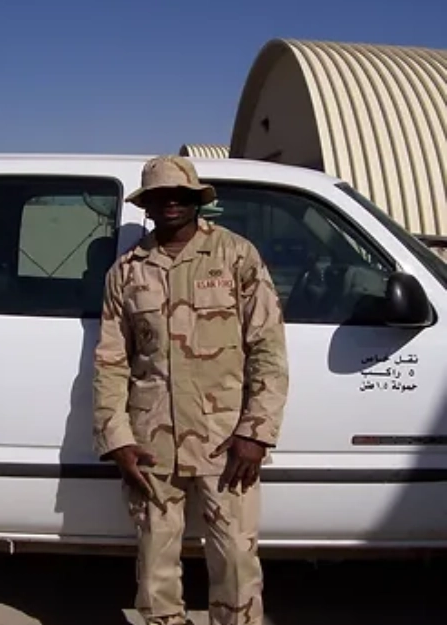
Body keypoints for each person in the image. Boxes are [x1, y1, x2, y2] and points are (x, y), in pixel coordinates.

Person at [93, 155, 289, 625]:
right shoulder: (127, 272)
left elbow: (268, 348)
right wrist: (117, 439)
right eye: (160, 196)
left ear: (198, 201)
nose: (171, 203)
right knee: (155, 565)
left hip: (225, 439)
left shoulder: (235, 255)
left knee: (237, 561)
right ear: (149, 206)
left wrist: (256, 432)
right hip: (150, 440)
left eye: (181, 195)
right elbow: (110, 361)